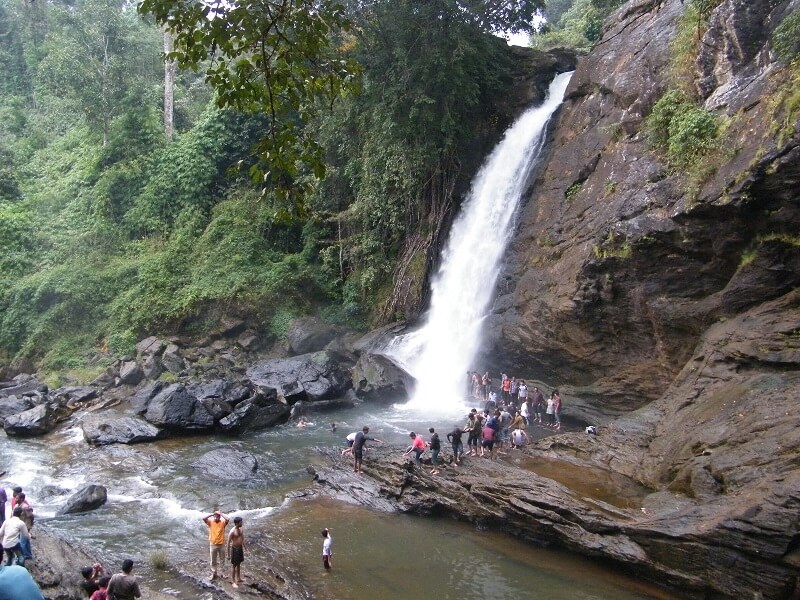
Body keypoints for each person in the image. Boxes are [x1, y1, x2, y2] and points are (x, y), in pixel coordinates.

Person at [202, 510, 230, 581]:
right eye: (215, 516)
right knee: (213, 560)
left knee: (222, 560)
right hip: (213, 544)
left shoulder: (223, 522)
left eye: (217, 516)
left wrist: (221, 513)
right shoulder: (211, 522)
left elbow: (227, 519)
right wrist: (212, 514)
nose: (216, 517)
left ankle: (223, 573)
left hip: (221, 544)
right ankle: (214, 574)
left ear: (220, 517)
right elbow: (204, 518)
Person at [227, 516, 245, 588]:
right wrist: (228, 555)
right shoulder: (232, 532)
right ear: (237, 523)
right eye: (241, 522)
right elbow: (228, 543)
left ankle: (239, 578)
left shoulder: (241, 529)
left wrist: (246, 548)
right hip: (235, 549)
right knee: (234, 565)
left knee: (239, 563)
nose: (242, 523)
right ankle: (233, 581)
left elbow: (242, 539)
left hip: (240, 548)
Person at [15, 492, 34, 560]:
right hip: (21, 526)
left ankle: (22, 557)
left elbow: (31, 516)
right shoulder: (19, 506)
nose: (15, 499)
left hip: (25, 526)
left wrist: (30, 525)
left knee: (22, 542)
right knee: (26, 541)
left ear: (22, 499)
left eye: (17, 498)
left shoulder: (25, 507)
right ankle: (28, 555)